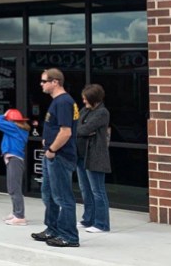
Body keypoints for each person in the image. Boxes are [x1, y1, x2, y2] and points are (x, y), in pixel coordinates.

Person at [31, 68, 80, 248]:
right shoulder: (58, 102)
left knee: (62, 197)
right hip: (52, 154)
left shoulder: (64, 102)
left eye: (44, 81)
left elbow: (65, 132)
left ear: (55, 82)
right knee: (48, 194)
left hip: (60, 156)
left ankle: (69, 236)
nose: (41, 84)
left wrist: (51, 149)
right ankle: (53, 229)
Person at [76, 84, 111, 233]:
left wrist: (82, 131)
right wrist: (81, 131)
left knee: (97, 190)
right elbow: (76, 128)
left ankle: (101, 223)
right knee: (85, 190)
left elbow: (85, 129)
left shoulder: (102, 112)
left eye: (85, 98)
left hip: (95, 156)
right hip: (81, 156)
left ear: (93, 98)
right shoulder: (85, 111)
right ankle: (88, 219)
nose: (83, 101)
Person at [0, 108, 31, 225]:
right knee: (12, 187)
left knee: (14, 188)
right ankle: (16, 212)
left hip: (15, 159)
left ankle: (19, 216)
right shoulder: (18, 128)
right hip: (14, 159)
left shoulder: (14, 128)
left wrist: (4, 115)